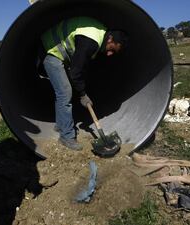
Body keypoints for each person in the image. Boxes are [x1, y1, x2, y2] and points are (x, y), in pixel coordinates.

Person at [40, 17, 127, 151]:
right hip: (50, 49)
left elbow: (81, 67)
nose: (110, 54)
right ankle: (66, 136)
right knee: (65, 92)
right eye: (112, 49)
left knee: (63, 91)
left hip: (57, 49)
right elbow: (75, 72)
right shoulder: (91, 42)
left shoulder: (99, 35)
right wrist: (82, 94)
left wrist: (82, 88)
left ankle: (61, 124)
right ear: (110, 39)